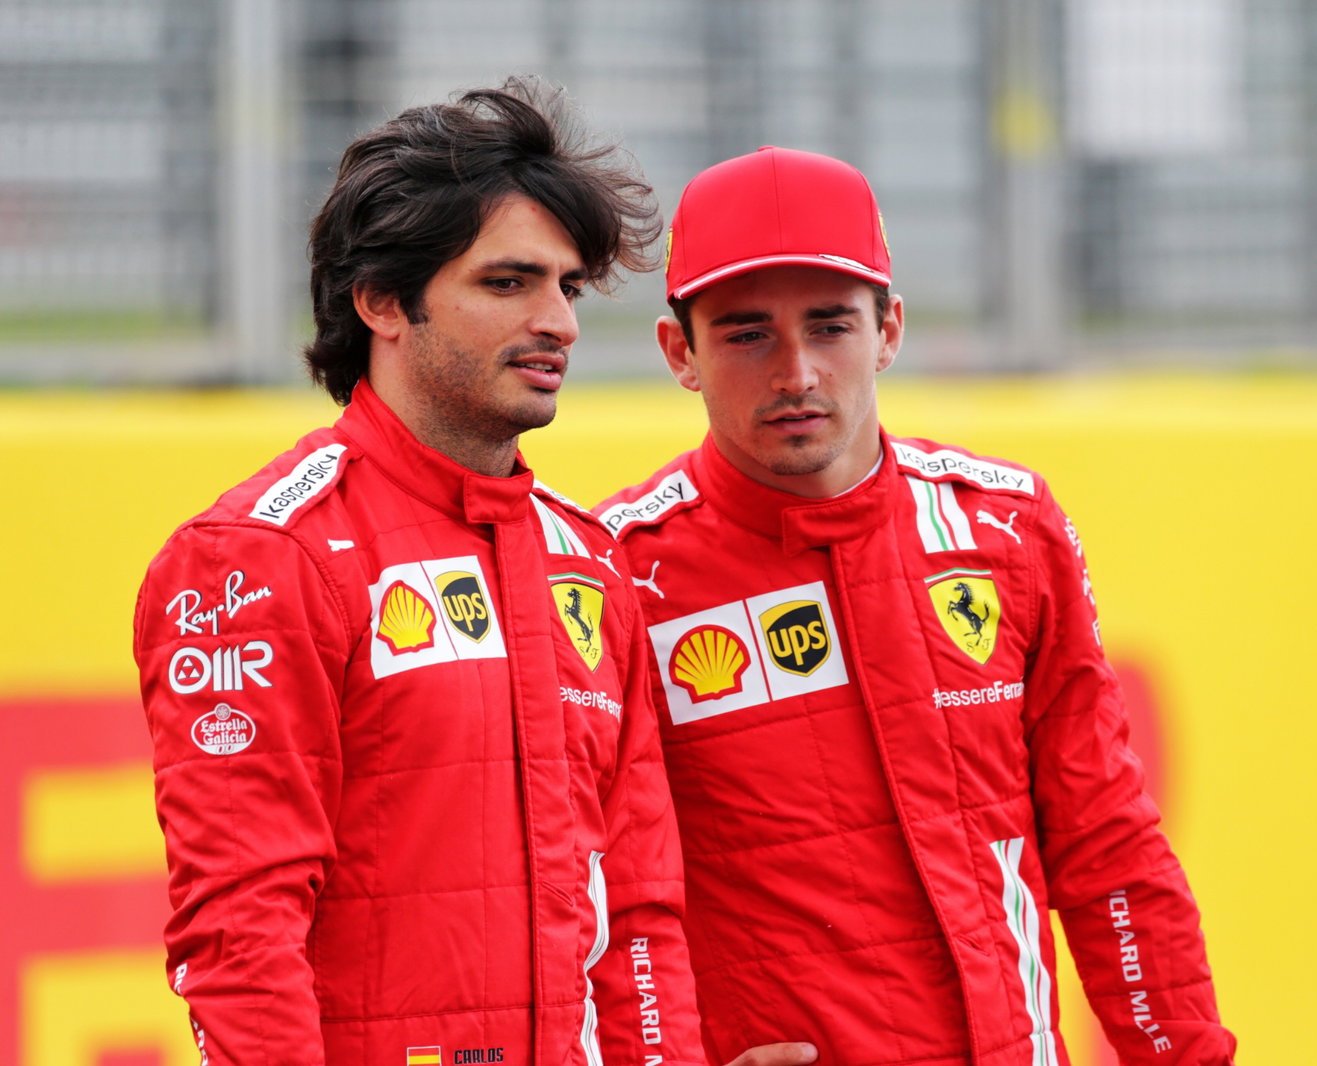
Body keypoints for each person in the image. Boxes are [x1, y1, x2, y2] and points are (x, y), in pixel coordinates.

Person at [133, 79, 811, 1066]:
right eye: (509, 283)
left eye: (567, 288)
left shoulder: (587, 564)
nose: (559, 324)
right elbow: (241, 930)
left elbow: (638, 908)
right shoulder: (256, 558)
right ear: (381, 301)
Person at [597, 146, 1237, 1066]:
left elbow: (1108, 848)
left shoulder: (1007, 529)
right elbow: (599, 891)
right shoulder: (616, 574)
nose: (798, 373)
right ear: (678, 353)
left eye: (830, 327)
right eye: (746, 334)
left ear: (889, 330)